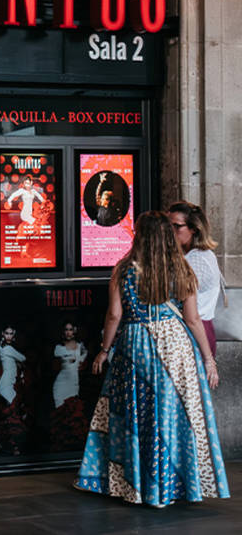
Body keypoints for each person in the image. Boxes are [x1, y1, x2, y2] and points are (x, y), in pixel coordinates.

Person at [74, 211, 229, 506]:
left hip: (136, 344)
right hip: (176, 347)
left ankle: (137, 484)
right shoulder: (182, 270)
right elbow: (193, 319)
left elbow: (114, 315)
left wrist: (105, 349)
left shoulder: (123, 269)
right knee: (171, 414)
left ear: (140, 236)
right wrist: (208, 359)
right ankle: (173, 485)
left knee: (138, 413)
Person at [168, 201, 224, 356]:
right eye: (168, 226)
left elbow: (185, 306)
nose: (170, 231)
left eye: (177, 226)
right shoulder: (188, 256)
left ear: (193, 229)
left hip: (195, 331)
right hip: (189, 329)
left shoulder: (197, 259)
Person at [50, 321, 88, 451]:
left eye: (71, 329)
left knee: (73, 413)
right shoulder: (58, 348)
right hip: (60, 384)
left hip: (73, 384)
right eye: (66, 330)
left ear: (75, 331)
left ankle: (72, 446)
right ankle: (61, 447)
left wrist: (80, 361)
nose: (68, 332)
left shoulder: (80, 346)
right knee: (60, 414)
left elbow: (84, 355)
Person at [0, 326, 28, 456]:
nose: (9, 336)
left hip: (9, 383)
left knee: (10, 415)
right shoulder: (8, 348)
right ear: (3, 334)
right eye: (7, 333)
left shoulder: (4, 347)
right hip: (6, 385)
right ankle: (13, 446)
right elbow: (23, 358)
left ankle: (0, 443)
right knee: (12, 414)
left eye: (11, 334)